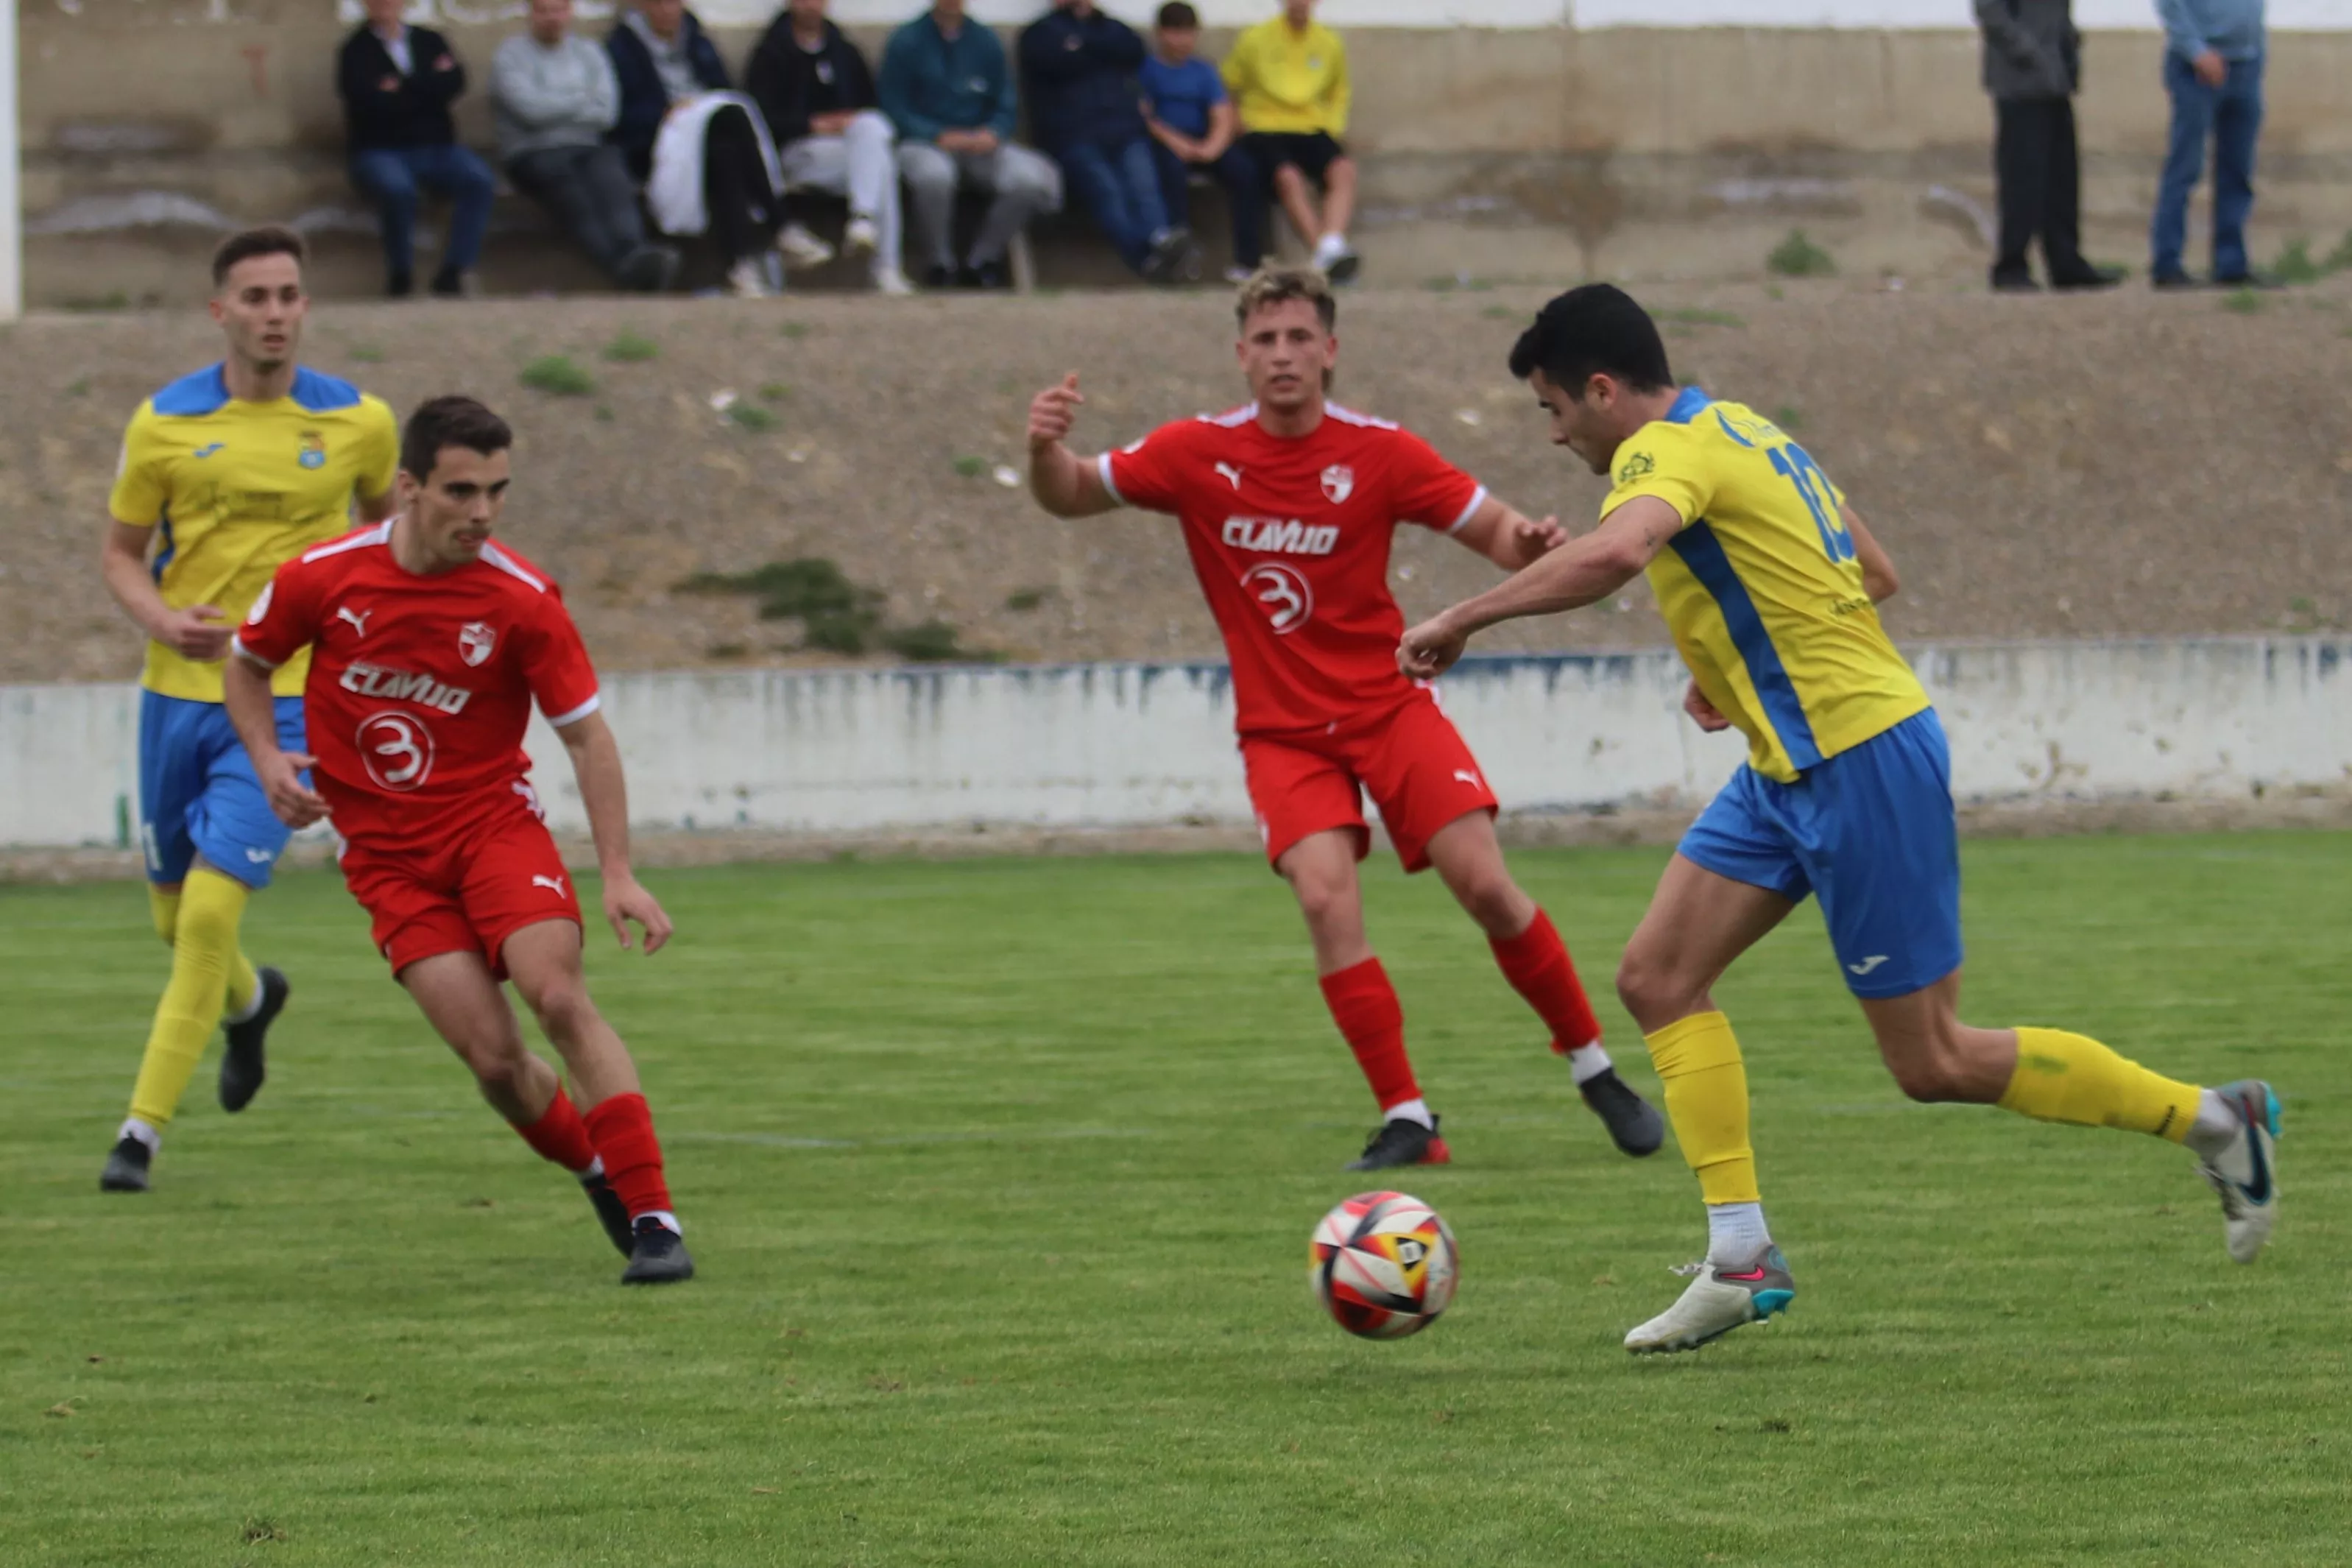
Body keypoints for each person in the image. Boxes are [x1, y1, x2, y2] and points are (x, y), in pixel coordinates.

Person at [1396, 284, 2280, 1352]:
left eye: (1552, 408)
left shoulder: (1652, 455)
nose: (1553, 432)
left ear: (1597, 387)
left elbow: (1618, 553)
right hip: (1791, 762)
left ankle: (2217, 1118)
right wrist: (1736, 664)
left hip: (1858, 759)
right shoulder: (1746, 428)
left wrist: (1463, 616)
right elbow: (1873, 570)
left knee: (1934, 1061)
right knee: (1656, 978)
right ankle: (1738, 1256)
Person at [1024, 266, 1665, 1171]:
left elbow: (1498, 532)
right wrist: (1044, 450)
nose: (1283, 355)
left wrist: (1531, 542)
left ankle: (1595, 1068)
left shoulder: (1381, 451)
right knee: (1326, 899)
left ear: (1330, 352)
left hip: (1386, 702)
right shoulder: (1191, 452)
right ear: (1240, 356)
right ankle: (1409, 1118)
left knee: (1483, 884)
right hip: (1282, 731)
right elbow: (1072, 494)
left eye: (1300, 338)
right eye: (1266, 340)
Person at [225, 396, 693, 1288]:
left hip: (492, 832)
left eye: (498, 492)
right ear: (408, 487)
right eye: (461, 491)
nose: (482, 512)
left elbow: (587, 736)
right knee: (495, 1061)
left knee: (556, 995)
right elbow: (246, 665)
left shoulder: (521, 598)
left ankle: (656, 1218)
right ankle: (598, 1172)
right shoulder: (322, 578)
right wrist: (266, 760)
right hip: (390, 864)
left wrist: (621, 873)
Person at [94, 227, 400, 1195]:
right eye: (256, 297)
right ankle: (253, 1000)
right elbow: (119, 552)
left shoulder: (358, 421)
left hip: (287, 705)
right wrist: (158, 614)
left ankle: (139, 1131)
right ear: (219, 310)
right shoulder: (164, 423)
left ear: (306, 307)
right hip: (173, 697)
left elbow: (393, 538)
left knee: (212, 911)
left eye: (289, 295)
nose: (275, 313)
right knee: (171, 918)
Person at [494, 0, 681, 292]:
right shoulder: (510, 55)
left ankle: (635, 252)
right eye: (543, 10)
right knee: (573, 191)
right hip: (534, 151)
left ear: (569, 12)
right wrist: (581, 99)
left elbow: (607, 112)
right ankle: (622, 265)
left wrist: (553, 104)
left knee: (613, 178)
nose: (551, 18)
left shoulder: (589, 52)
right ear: (531, 14)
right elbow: (529, 112)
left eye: (558, 10)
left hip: (588, 144)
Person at [879, 0, 1064, 290]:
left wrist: (994, 132)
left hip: (980, 142)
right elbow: (893, 105)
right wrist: (935, 134)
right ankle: (939, 263)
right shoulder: (906, 40)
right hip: (925, 141)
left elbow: (1006, 100)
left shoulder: (986, 40)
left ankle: (983, 261)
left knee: (1028, 179)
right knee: (934, 178)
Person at [608, 0, 784, 298]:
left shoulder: (696, 38)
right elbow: (622, 114)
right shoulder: (623, 47)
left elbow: (723, 87)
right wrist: (666, 113)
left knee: (726, 145)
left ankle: (741, 263)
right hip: (659, 140)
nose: (667, 11)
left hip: (709, 134)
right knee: (730, 125)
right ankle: (778, 223)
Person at [745, 0, 914, 295]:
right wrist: (814, 124)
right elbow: (761, 118)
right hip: (799, 152)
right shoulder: (770, 53)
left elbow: (869, 106)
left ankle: (866, 225)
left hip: (850, 152)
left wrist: (847, 122)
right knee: (879, 164)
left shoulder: (844, 52)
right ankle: (883, 261)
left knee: (876, 141)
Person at [1020, 0, 1193, 284]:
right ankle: (1150, 259)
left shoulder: (1115, 29)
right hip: (1072, 137)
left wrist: (1083, 46)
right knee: (1107, 191)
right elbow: (1058, 63)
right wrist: (1096, 51)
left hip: (1124, 130)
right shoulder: (1039, 34)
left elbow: (1133, 49)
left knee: (1145, 188)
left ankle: (1161, 244)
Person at [336, 0, 498, 297]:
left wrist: (400, 87)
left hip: (437, 148)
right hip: (379, 150)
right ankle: (401, 275)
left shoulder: (429, 39)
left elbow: (455, 83)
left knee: (479, 180)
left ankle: (454, 271)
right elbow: (366, 102)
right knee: (398, 190)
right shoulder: (355, 50)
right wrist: (427, 88)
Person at [1971, 0, 2121, 291]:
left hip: (2056, 77)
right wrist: (2027, 49)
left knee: (2062, 177)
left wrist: (2069, 44)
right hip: (2021, 82)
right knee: (2022, 179)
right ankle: (2011, 266)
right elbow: (1990, 11)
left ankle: (2066, 263)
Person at [1222, 0, 1356, 282]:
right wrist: (1239, 126)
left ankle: (1330, 245)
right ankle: (1324, 253)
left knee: (1343, 169)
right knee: (1288, 177)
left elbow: (1338, 91)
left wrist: (1332, 126)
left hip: (1311, 127)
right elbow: (1231, 85)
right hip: (1264, 127)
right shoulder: (1255, 38)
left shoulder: (1328, 42)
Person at [2150, 0, 2269, 289]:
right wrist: (2196, 51)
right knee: (2186, 166)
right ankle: (2167, 263)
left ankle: (2231, 264)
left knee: (2237, 169)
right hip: (2197, 67)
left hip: (2246, 63)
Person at [1142, 1, 1262, 284]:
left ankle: (1248, 261)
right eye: (1175, 32)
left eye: (1188, 33)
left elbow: (1221, 113)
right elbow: (1145, 117)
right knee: (1169, 173)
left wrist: (1212, 146)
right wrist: (1178, 143)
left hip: (1204, 140)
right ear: (1160, 34)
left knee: (1245, 171)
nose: (1182, 41)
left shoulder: (1204, 71)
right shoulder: (1147, 70)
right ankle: (1180, 256)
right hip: (1167, 143)